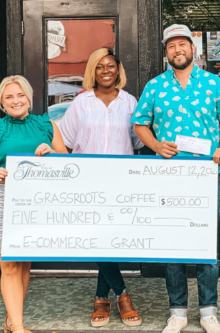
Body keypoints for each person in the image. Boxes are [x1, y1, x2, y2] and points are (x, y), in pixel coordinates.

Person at [132, 24, 220, 333]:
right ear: (166, 52)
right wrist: (154, 144)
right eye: (171, 46)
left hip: (205, 176)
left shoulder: (214, 83)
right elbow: (139, 124)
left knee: (206, 244)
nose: (177, 50)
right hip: (168, 176)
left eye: (182, 44)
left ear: (194, 49)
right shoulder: (155, 87)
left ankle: (208, 312)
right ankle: (177, 312)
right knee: (173, 243)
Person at [0, 75, 68, 333]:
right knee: (10, 265)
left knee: (24, 264)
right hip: (2, 200)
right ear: (2, 103)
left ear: (29, 97)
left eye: (20, 95)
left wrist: (52, 154)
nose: (16, 101)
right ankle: (18, 327)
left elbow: (68, 162)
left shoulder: (46, 125)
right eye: (9, 97)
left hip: (35, 201)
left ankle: (12, 320)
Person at [58, 48, 144, 327]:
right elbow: (67, 143)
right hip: (88, 181)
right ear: (92, 71)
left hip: (121, 181)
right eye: (99, 66)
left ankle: (100, 299)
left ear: (118, 70)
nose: (106, 71)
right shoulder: (80, 104)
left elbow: (139, 141)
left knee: (109, 239)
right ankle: (122, 295)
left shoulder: (131, 102)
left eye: (111, 66)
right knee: (97, 238)